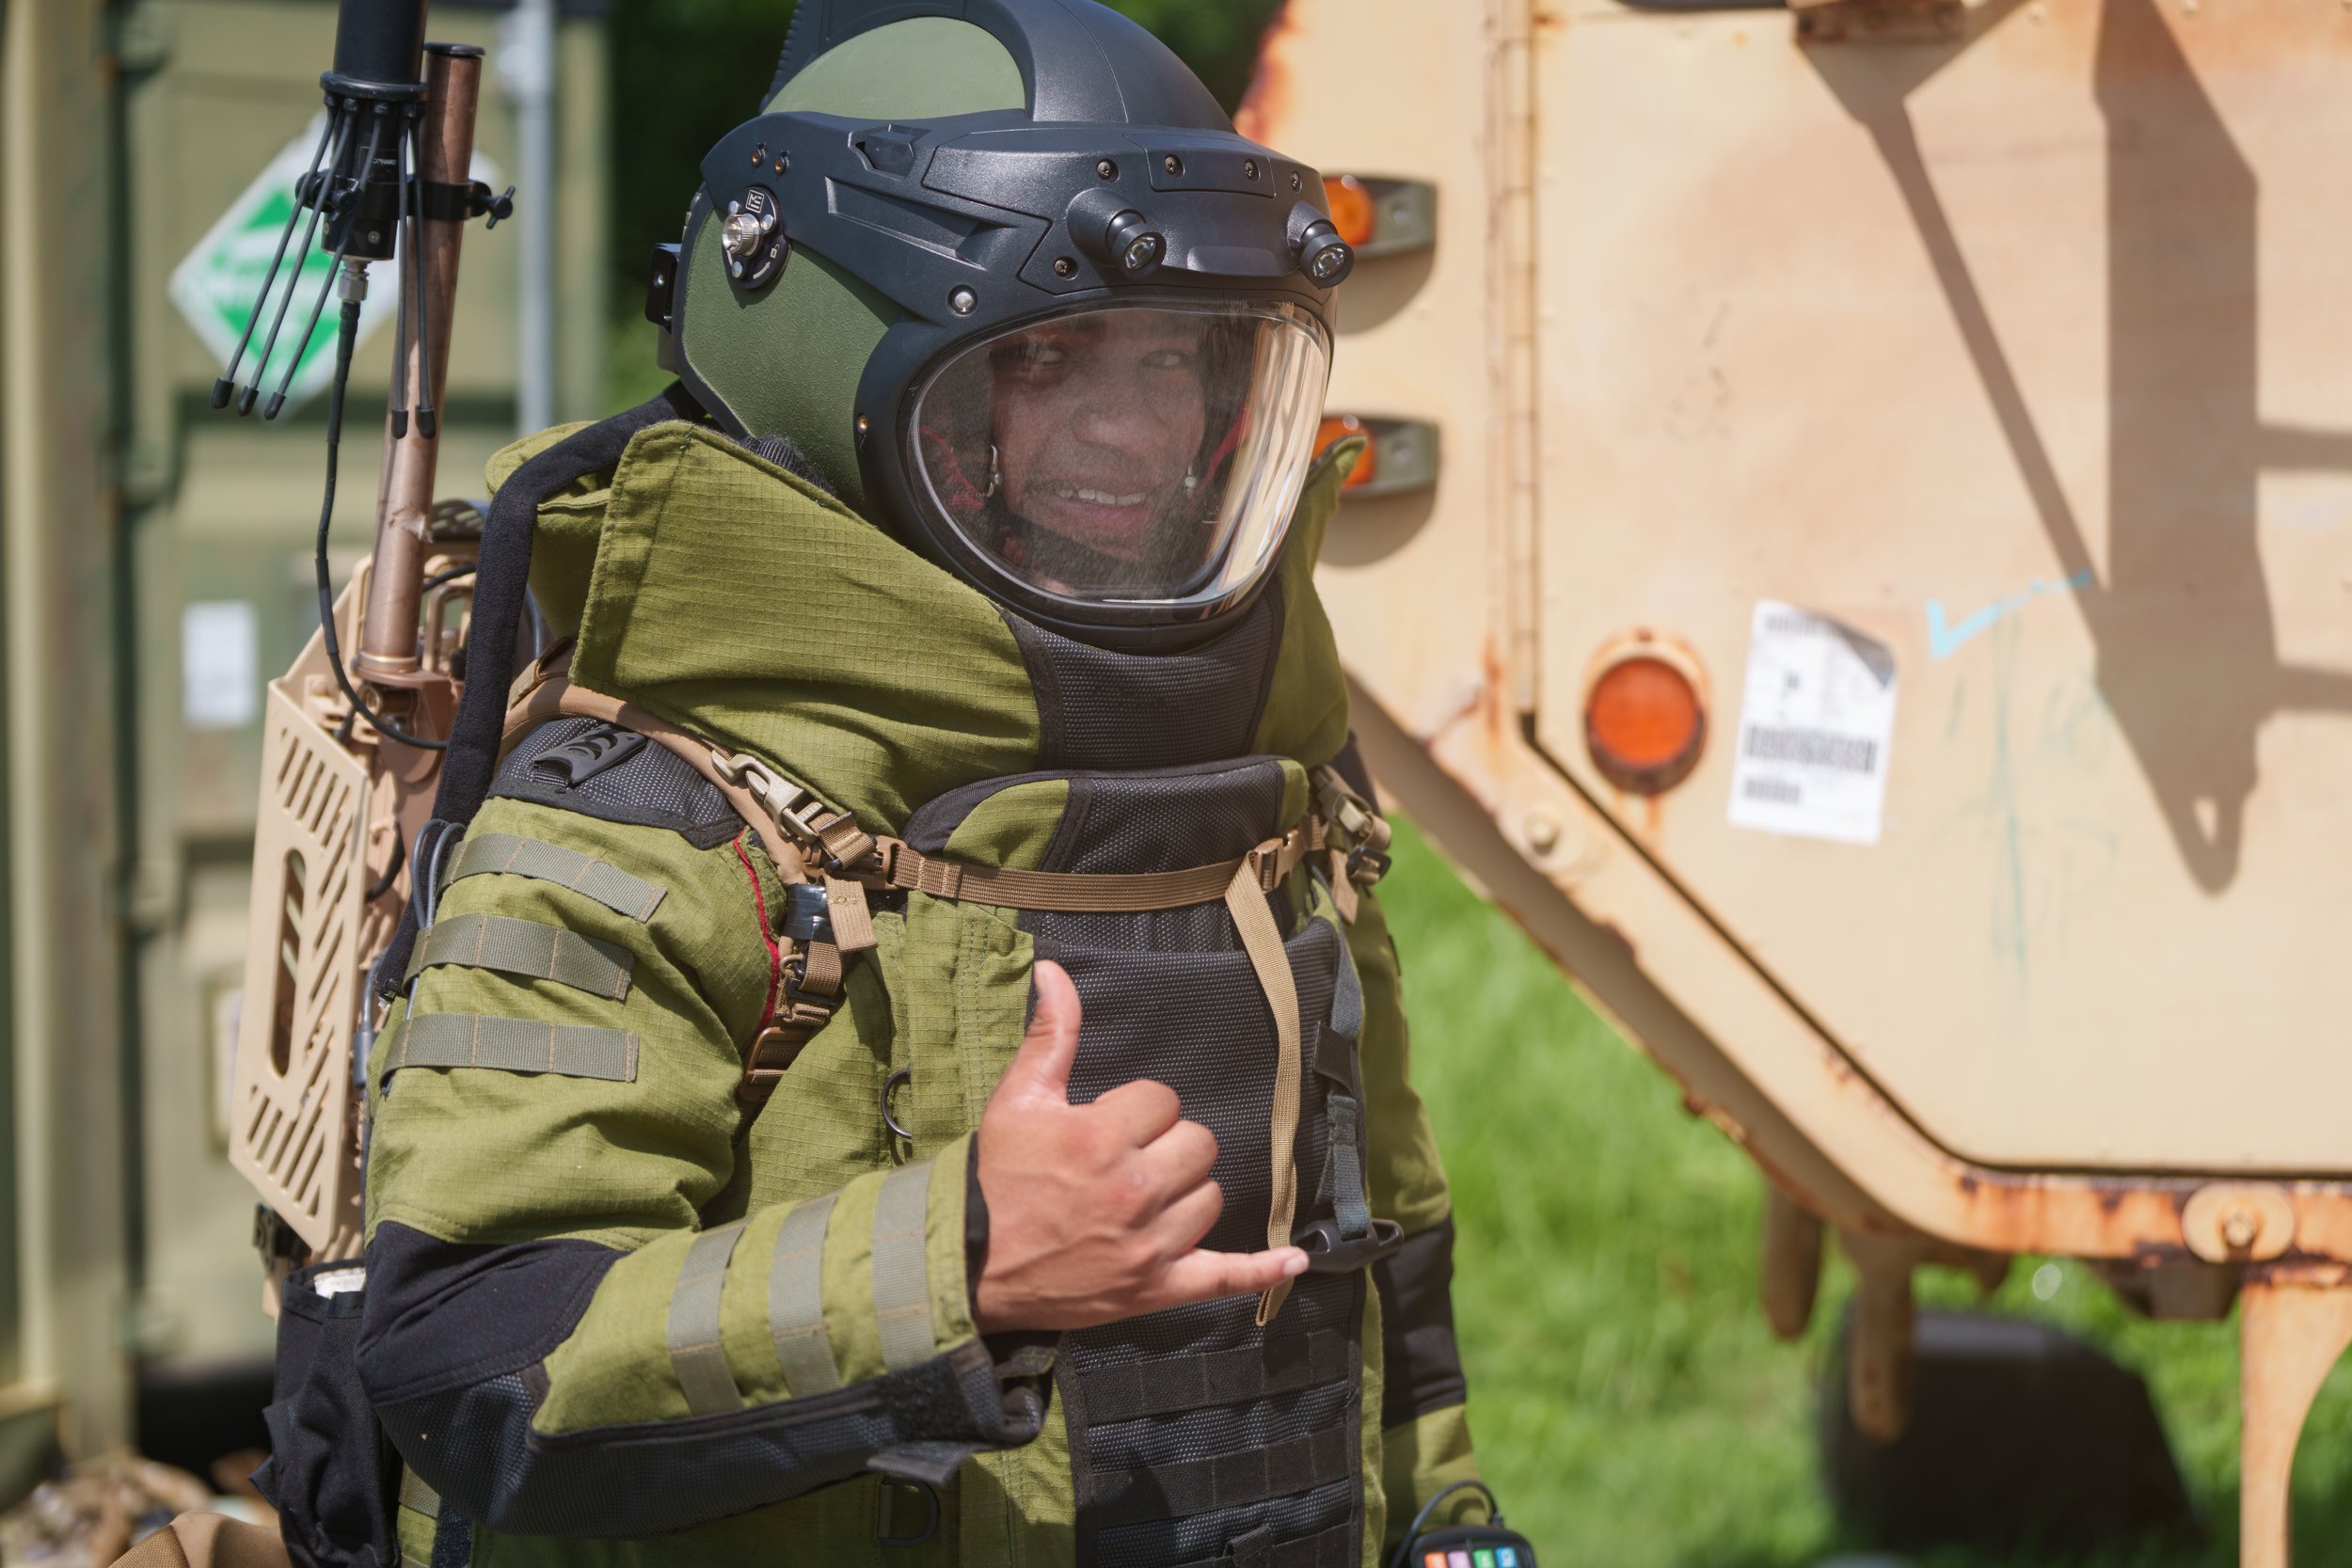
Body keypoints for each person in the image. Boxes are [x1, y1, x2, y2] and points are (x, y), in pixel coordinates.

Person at [241, 4, 1479, 1566]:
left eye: (1180, 359)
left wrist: (1451, 1520)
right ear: (830, 361)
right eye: (1044, 358)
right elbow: (474, 1356)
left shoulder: (1275, 793)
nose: (1134, 427)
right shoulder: (641, 824)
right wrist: (955, 1266)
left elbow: (1385, 1257)